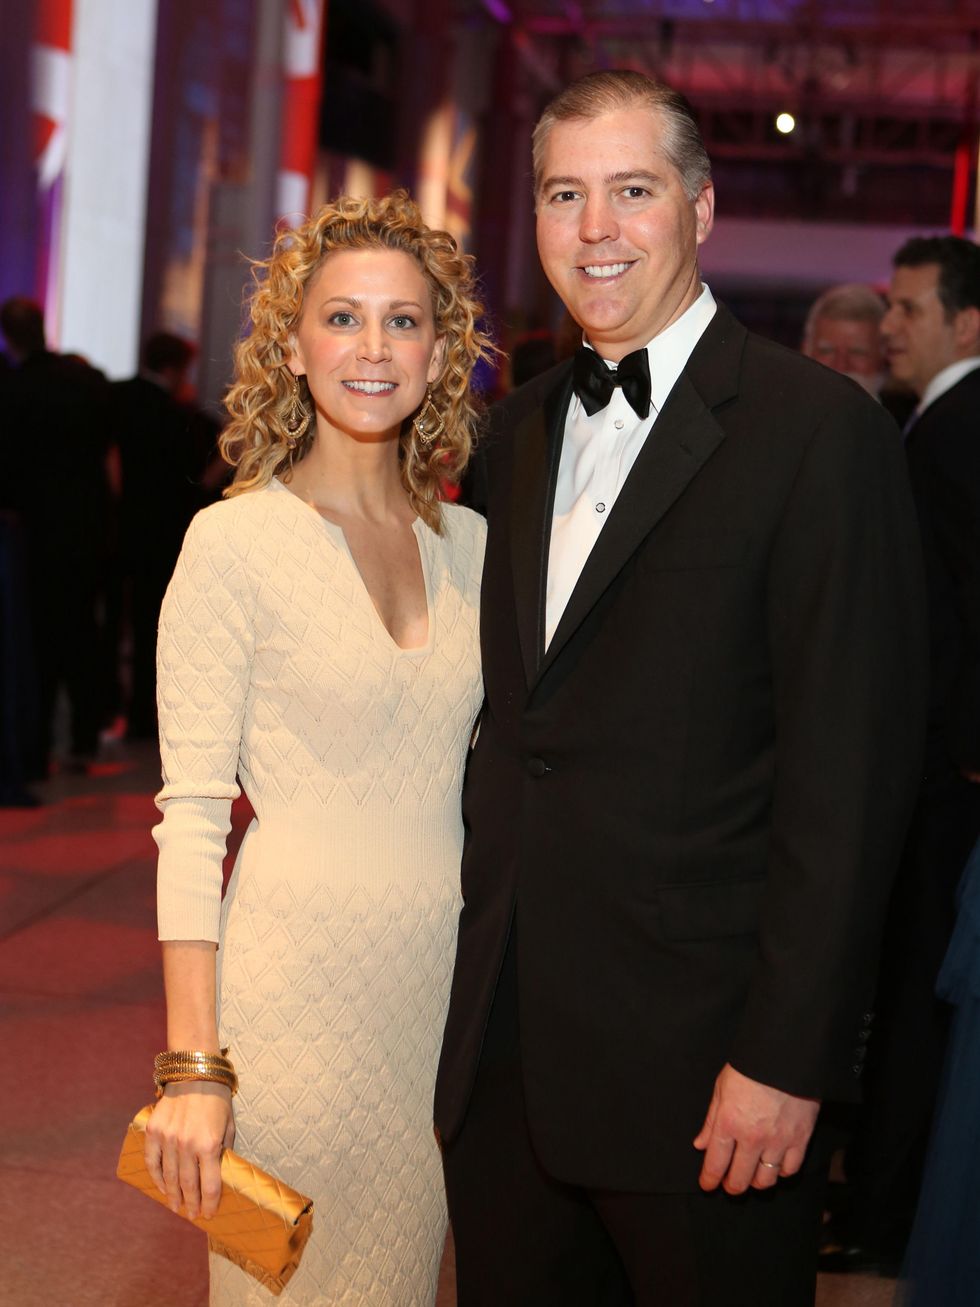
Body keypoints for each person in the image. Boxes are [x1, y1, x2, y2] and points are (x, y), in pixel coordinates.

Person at [434, 69, 928, 1307]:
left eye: (631, 191)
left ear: (700, 210)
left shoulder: (820, 433)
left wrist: (784, 1055)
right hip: (506, 1056)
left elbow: (848, 777)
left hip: (706, 1076)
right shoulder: (512, 433)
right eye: (563, 194)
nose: (594, 228)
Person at [142, 191, 493, 1305]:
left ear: (440, 351)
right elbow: (192, 817)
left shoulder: (474, 545)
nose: (372, 348)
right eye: (342, 318)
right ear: (292, 346)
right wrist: (196, 1071)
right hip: (287, 1001)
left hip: (437, 1003)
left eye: (403, 320)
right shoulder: (231, 542)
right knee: (272, 1289)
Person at [822, 235, 980, 1275]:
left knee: (924, 999)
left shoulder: (953, 431)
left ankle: (888, 1214)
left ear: (965, 323)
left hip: (945, 771)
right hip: (944, 762)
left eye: (908, 310)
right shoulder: (936, 425)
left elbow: (944, 619)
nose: (888, 328)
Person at [0, 296, 111, 774]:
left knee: (36, 637)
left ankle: (36, 743)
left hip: (34, 530)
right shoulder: (84, 381)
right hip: (86, 525)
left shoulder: (14, 387)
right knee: (82, 631)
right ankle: (84, 737)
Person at [109, 331, 219, 738]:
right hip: (162, 536)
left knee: (115, 623)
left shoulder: (116, 398)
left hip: (120, 528)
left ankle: (113, 710)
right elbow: (194, 486)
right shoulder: (177, 418)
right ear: (175, 368)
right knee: (154, 627)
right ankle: (144, 716)